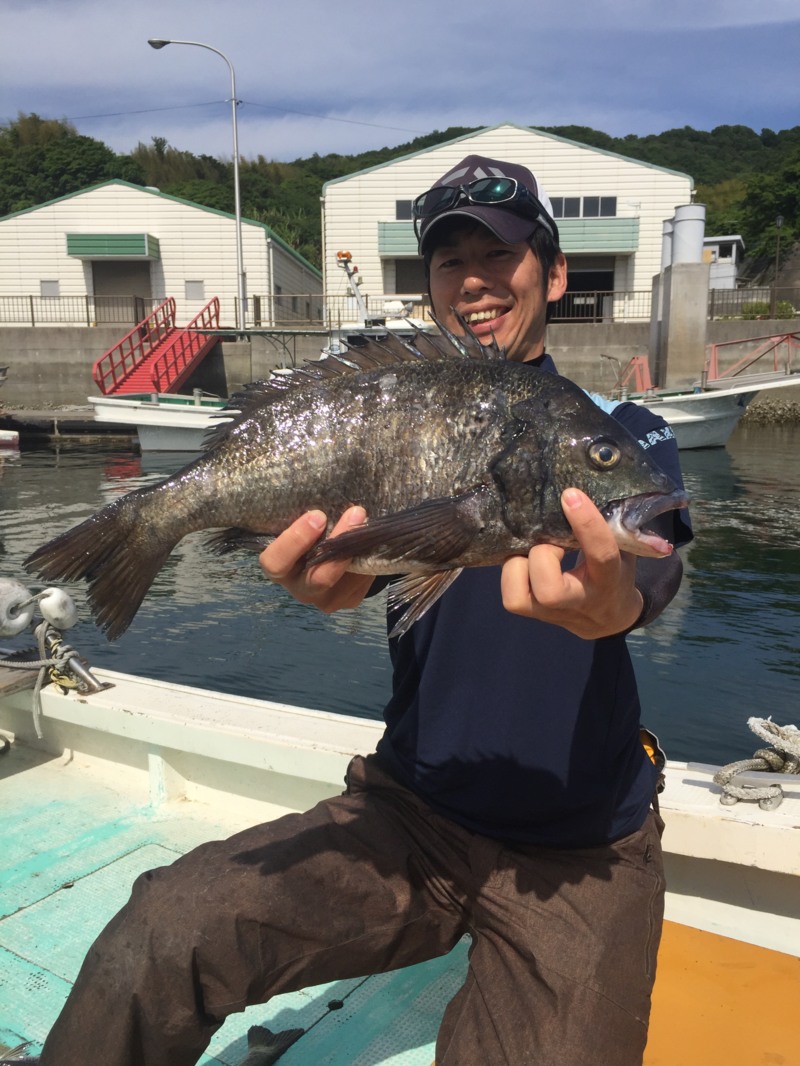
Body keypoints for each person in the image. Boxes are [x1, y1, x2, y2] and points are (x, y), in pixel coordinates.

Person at [33, 155, 692, 1066]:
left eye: (499, 255)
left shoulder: (617, 425)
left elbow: (654, 576)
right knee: (162, 926)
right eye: (448, 259)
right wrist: (324, 576)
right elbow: (359, 560)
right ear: (429, 285)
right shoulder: (407, 407)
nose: (473, 279)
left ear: (556, 271)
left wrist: (610, 600)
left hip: (579, 847)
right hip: (410, 813)